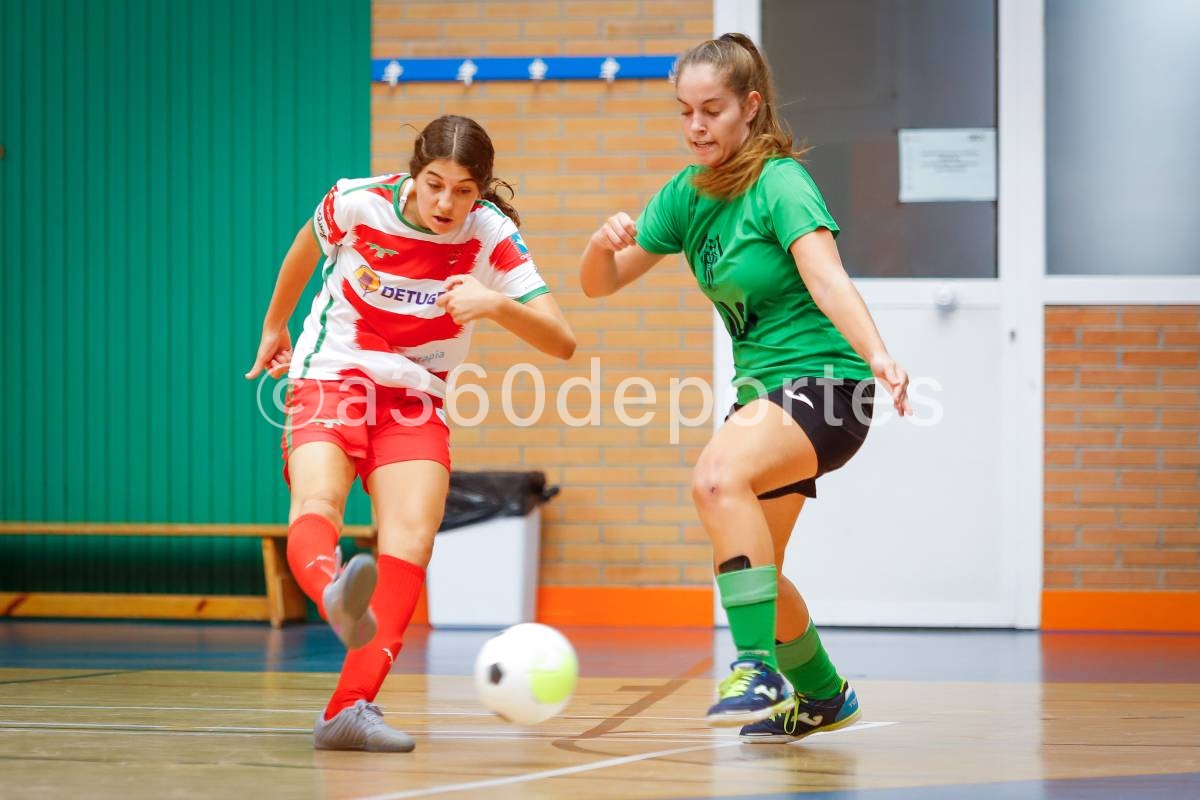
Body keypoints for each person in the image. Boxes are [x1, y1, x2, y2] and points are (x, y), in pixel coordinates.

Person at [579, 33, 911, 743]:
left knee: (714, 480)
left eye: (713, 110)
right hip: (763, 394)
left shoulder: (780, 183)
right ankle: (824, 697)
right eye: (685, 112)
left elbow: (827, 277)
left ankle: (755, 667)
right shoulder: (686, 196)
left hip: (826, 384)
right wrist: (598, 244)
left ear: (750, 107)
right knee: (761, 569)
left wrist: (878, 352)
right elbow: (602, 284)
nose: (697, 126)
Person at [246, 114, 576, 752]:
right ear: (413, 174)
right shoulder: (356, 201)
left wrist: (496, 304)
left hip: (416, 398)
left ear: (482, 190)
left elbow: (562, 340)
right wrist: (273, 325)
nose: (446, 203)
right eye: (433, 185)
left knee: (413, 539)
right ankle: (333, 590)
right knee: (317, 502)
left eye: (463, 191)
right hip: (334, 373)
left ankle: (350, 708)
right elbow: (301, 250)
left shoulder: (491, 237)